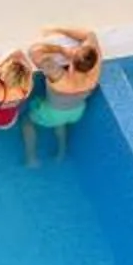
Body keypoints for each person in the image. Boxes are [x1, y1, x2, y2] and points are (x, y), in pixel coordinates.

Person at [23, 25, 102, 164]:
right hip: (76, 111)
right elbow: (90, 35)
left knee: (27, 123)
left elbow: (34, 51)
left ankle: (31, 157)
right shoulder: (94, 72)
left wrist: (62, 50)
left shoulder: (59, 76)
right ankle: (61, 152)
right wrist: (62, 32)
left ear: (71, 61)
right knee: (60, 123)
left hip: (52, 113)